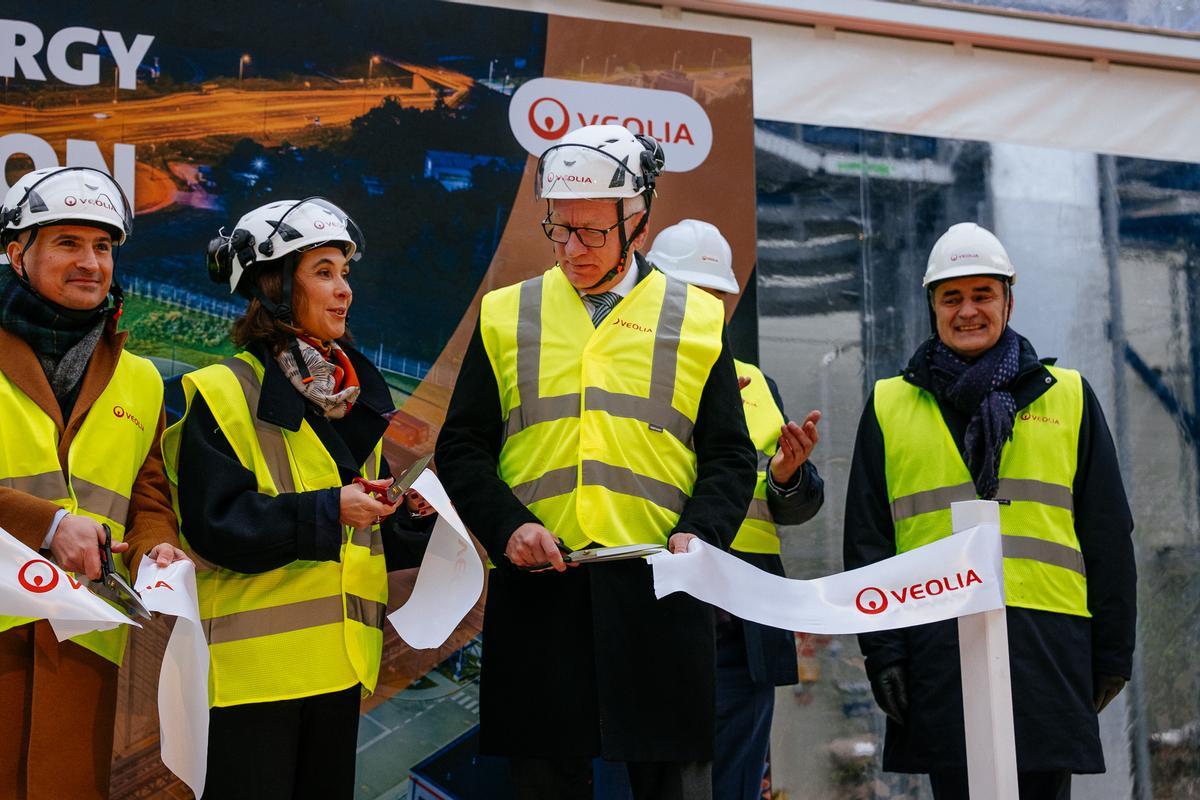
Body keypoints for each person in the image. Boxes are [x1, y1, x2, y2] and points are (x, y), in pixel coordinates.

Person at [435, 125, 756, 800]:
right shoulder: (506, 314)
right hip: (541, 591)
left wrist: (703, 533)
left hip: (662, 590)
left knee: (676, 784)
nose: (572, 249)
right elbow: (462, 448)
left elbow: (729, 455)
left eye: (592, 233)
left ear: (639, 219)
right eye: (559, 230)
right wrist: (508, 528)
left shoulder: (697, 320)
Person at [843, 222, 1137, 799]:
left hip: (1046, 646)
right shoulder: (889, 405)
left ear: (1008, 299)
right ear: (932, 305)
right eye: (952, 297)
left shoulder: (1069, 398)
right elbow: (868, 544)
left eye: (983, 294)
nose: (968, 310)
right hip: (936, 648)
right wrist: (883, 655)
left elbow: (1107, 535)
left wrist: (1113, 654)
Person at [160, 198, 434, 800]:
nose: (344, 291)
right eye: (324, 272)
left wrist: (414, 519)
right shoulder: (223, 391)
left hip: (337, 671)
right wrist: (331, 509)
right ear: (273, 286)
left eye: (345, 274)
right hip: (252, 680)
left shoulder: (348, 395)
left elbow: (363, 529)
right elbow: (216, 527)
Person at [0, 166, 187, 799]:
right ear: (15, 254)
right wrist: (47, 525)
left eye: (103, 246)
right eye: (68, 243)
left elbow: (149, 491)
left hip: (83, 640)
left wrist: (158, 539)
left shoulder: (138, 378)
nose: (91, 262)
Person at [647, 219, 825, 800]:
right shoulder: (617, 374)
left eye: (717, 297)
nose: (706, 310)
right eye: (690, 294)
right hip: (654, 625)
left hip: (739, 639)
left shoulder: (755, 382)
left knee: (733, 789)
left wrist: (786, 479)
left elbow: (796, 504)